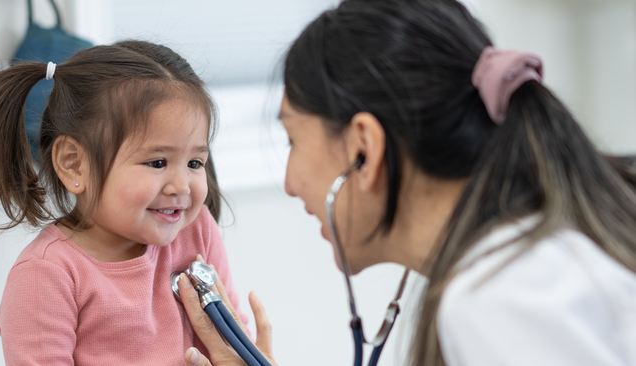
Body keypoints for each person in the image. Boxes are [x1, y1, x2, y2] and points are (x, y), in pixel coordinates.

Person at [177, 0, 636, 365]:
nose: (291, 183)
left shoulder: (500, 296)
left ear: (364, 149)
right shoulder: (534, 260)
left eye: (293, 138)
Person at [0, 40, 251, 366]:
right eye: (157, 162)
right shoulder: (46, 275)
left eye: (195, 163)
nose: (182, 186)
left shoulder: (198, 232)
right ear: (74, 164)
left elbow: (234, 348)